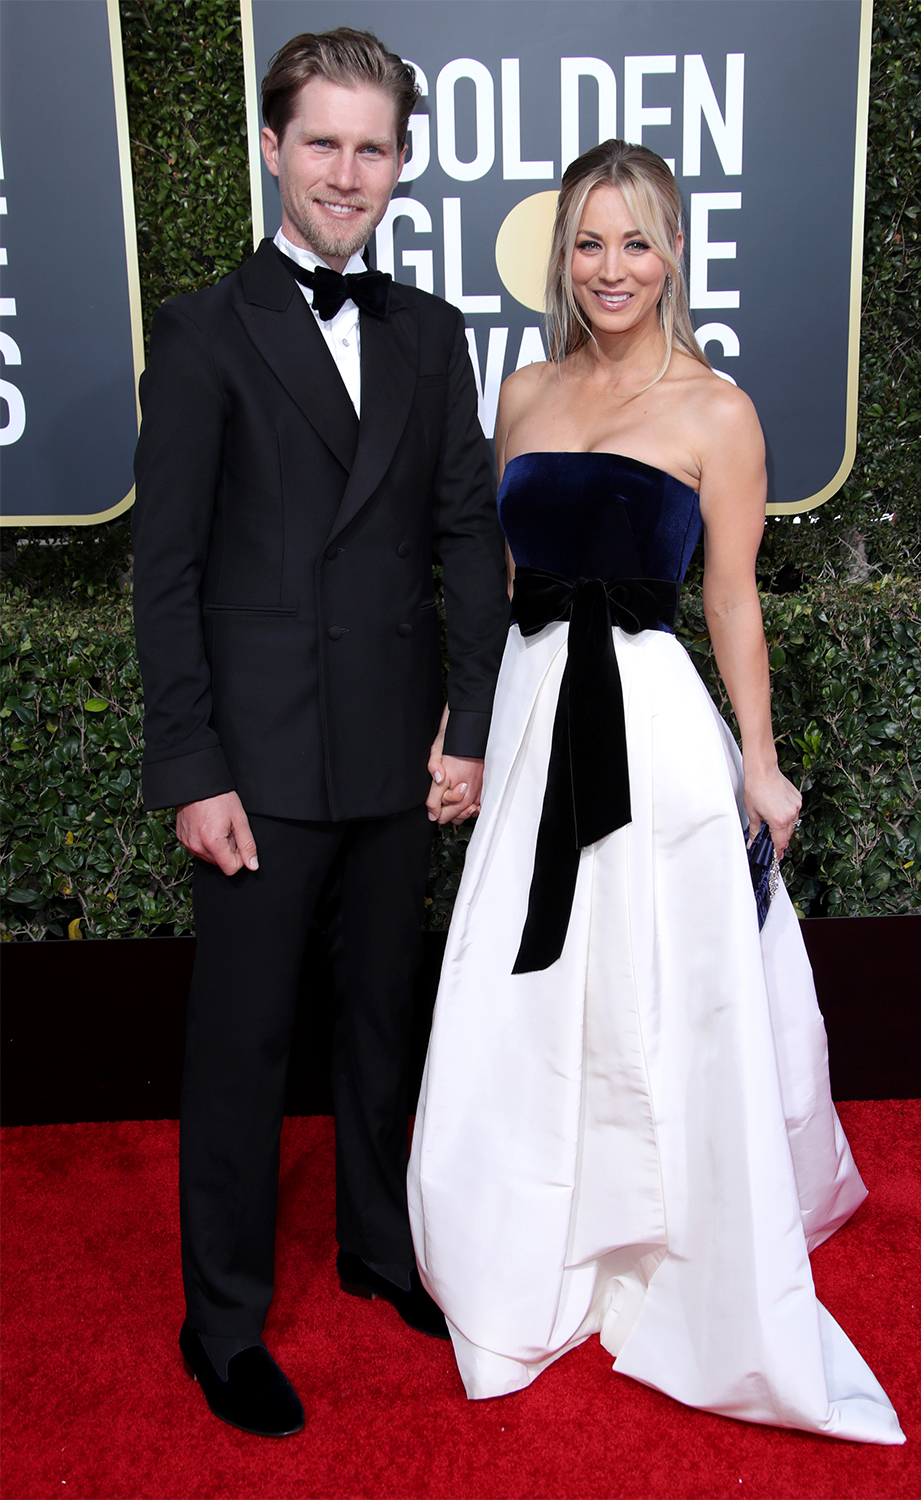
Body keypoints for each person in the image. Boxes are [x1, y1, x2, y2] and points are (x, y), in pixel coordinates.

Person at [408, 140, 905, 1445]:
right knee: (534, 980)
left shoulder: (717, 412)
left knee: (656, 984)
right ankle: (530, 1236)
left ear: (674, 251)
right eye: (588, 242)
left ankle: (666, 1239)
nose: (611, 268)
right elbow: (504, 595)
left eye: (636, 241)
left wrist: (762, 756)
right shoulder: (519, 393)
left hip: (650, 730)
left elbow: (732, 600)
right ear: (559, 256)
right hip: (530, 721)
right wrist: (463, 732)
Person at [131, 28, 509, 1438]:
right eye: (324, 143)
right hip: (261, 769)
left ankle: (372, 1244)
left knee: (379, 1025)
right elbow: (164, 573)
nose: (348, 172)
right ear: (273, 149)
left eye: (375, 148)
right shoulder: (204, 329)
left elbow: (467, 538)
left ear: (402, 166)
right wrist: (192, 768)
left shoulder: (429, 331)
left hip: (398, 752)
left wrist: (467, 723)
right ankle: (219, 1321)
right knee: (238, 1050)